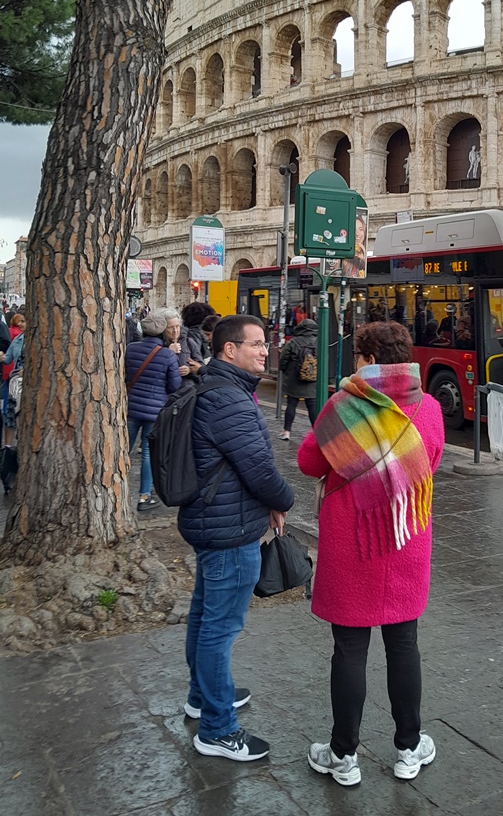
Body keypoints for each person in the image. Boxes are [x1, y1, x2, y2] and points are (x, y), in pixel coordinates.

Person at [298, 320, 445, 787]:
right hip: (404, 536)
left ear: (365, 360)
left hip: (352, 541)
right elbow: (431, 463)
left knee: (349, 650)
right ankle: (408, 747)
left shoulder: (343, 406)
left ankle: (343, 754)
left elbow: (307, 462)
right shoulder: (430, 407)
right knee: (404, 644)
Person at [180, 314, 295, 761]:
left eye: (265, 344)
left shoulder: (214, 386)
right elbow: (259, 468)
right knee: (219, 629)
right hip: (228, 528)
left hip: (213, 520)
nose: (265, 351)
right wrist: (284, 500)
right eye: (257, 344)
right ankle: (218, 729)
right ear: (230, 350)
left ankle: (202, 696)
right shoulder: (230, 398)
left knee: (205, 617)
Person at [125, 310, 182, 511]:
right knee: (148, 454)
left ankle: (116, 490)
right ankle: (144, 496)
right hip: (155, 411)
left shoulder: (130, 349)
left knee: (124, 450)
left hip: (131, 407)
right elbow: (174, 385)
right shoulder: (167, 355)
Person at [277, 310, 318, 440]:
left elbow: (283, 358)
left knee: (291, 404)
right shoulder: (319, 342)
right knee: (312, 406)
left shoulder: (294, 342)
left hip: (294, 377)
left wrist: (284, 370)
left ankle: (287, 431)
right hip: (312, 379)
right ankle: (316, 433)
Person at [1, 313, 25, 448]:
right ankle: (8, 448)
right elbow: (8, 358)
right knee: (10, 414)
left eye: (23, 321)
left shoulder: (35, 338)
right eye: (19, 322)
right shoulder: (18, 339)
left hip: (28, 381)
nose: (21, 324)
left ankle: (21, 446)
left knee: (22, 414)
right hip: (15, 381)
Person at [162, 308, 201, 377]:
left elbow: (201, 366)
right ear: (163, 328)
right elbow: (154, 368)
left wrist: (189, 369)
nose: (175, 331)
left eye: (177, 326)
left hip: (188, 385)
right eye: (170, 327)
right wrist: (168, 351)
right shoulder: (159, 344)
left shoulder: (189, 342)